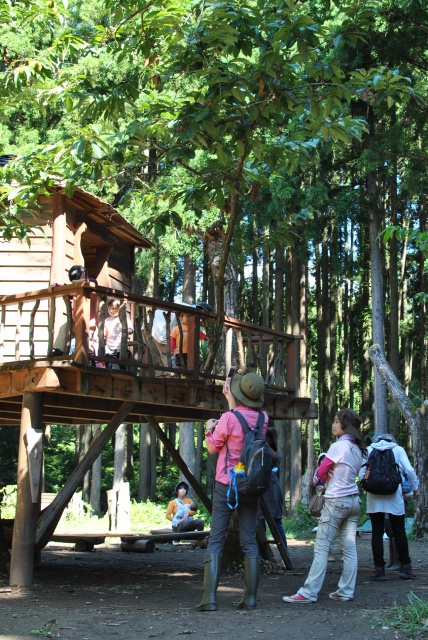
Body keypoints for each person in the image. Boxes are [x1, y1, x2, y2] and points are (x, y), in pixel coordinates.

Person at [196, 372, 268, 612]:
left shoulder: (227, 418)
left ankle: (209, 599)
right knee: (249, 540)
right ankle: (250, 599)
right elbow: (243, 423)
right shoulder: (263, 418)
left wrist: (209, 429)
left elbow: (213, 447)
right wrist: (230, 401)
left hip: (227, 483)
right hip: (252, 483)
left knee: (217, 538)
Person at [282, 408, 366, 603]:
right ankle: (346, 591)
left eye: (337, 421)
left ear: (345, 425)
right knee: (349, 548)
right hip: (354, 501)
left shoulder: (339, 446)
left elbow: (320, 473)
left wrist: (323, 476)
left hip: (336, 501)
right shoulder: (358, 448)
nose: (333, 425)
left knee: (321, 548)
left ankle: (308, 592)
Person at [359, 433, 419, 581]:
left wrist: (368, 485)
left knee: (377, 532)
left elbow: (361, 472)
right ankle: (406, 567)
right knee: (399, 531)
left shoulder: (369, 449)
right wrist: (415, 488)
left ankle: (379, 569)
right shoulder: (397, 449)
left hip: (374, 497)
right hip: (394, 495)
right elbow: (409, 470)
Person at [259, 427, 288, 560]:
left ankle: (284, 554)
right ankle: (264, 557)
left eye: (266, 436)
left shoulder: (275, 453)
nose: (264, 438)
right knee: (260, 524)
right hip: (258, 490)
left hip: (271, 490)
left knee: (276, 522)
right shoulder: (257, 450)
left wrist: (262, 442)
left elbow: (275, 456)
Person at [104, 298, 133, 367]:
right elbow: (105, 332)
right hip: (109, 346)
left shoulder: (123, 319)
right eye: (109, 309)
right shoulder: (107, 320)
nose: (111, 311)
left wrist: (123, 328)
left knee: (121, 363)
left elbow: (131, 330)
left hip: (119, 347)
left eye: (113, 308)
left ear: (119, 308)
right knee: (108, 363)